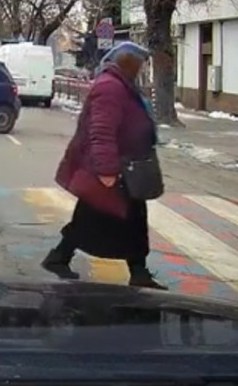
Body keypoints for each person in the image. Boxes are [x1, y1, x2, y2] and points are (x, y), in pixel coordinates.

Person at [43, 42, 166, 290]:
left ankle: (61, 257)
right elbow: (101, 131)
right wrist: (107, 170)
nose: (142, 69)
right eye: (139, 64)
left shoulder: (121, 85)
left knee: (116, 218)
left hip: (126, 168)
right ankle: (61, 258)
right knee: (109, 218)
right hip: (113, 169)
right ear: (128, 63)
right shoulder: (110, 87)